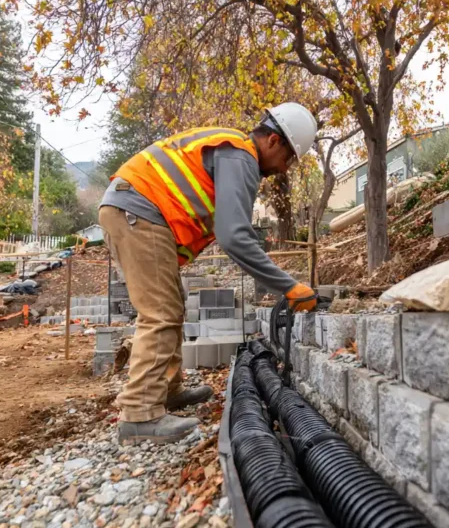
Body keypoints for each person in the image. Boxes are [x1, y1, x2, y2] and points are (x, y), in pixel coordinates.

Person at [99, 102, 321, 444]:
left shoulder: (232, 152)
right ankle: (140, 415)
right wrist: (288, 287)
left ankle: (166, 391)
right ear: (273, 141)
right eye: (289, 158)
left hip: (137, 210)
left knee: (171, 305)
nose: (285, 168)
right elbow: (235, 236)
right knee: (160, 312)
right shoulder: (240, 155)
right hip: (139, 212)